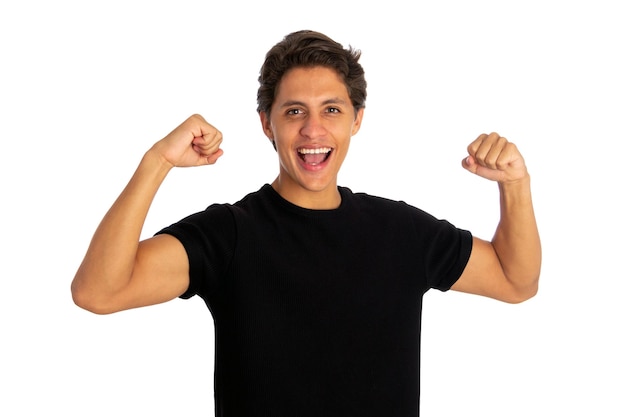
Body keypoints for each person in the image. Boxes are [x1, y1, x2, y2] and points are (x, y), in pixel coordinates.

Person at [71, 30, 541, 416]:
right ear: (266, 123)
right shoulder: (229, 235)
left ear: (356, 120)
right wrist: (156, 161)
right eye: (294, 111)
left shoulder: (401, 233)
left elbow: (515, 280)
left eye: (331, 110)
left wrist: (515, 184)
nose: (313, 130)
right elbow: (98, 291)